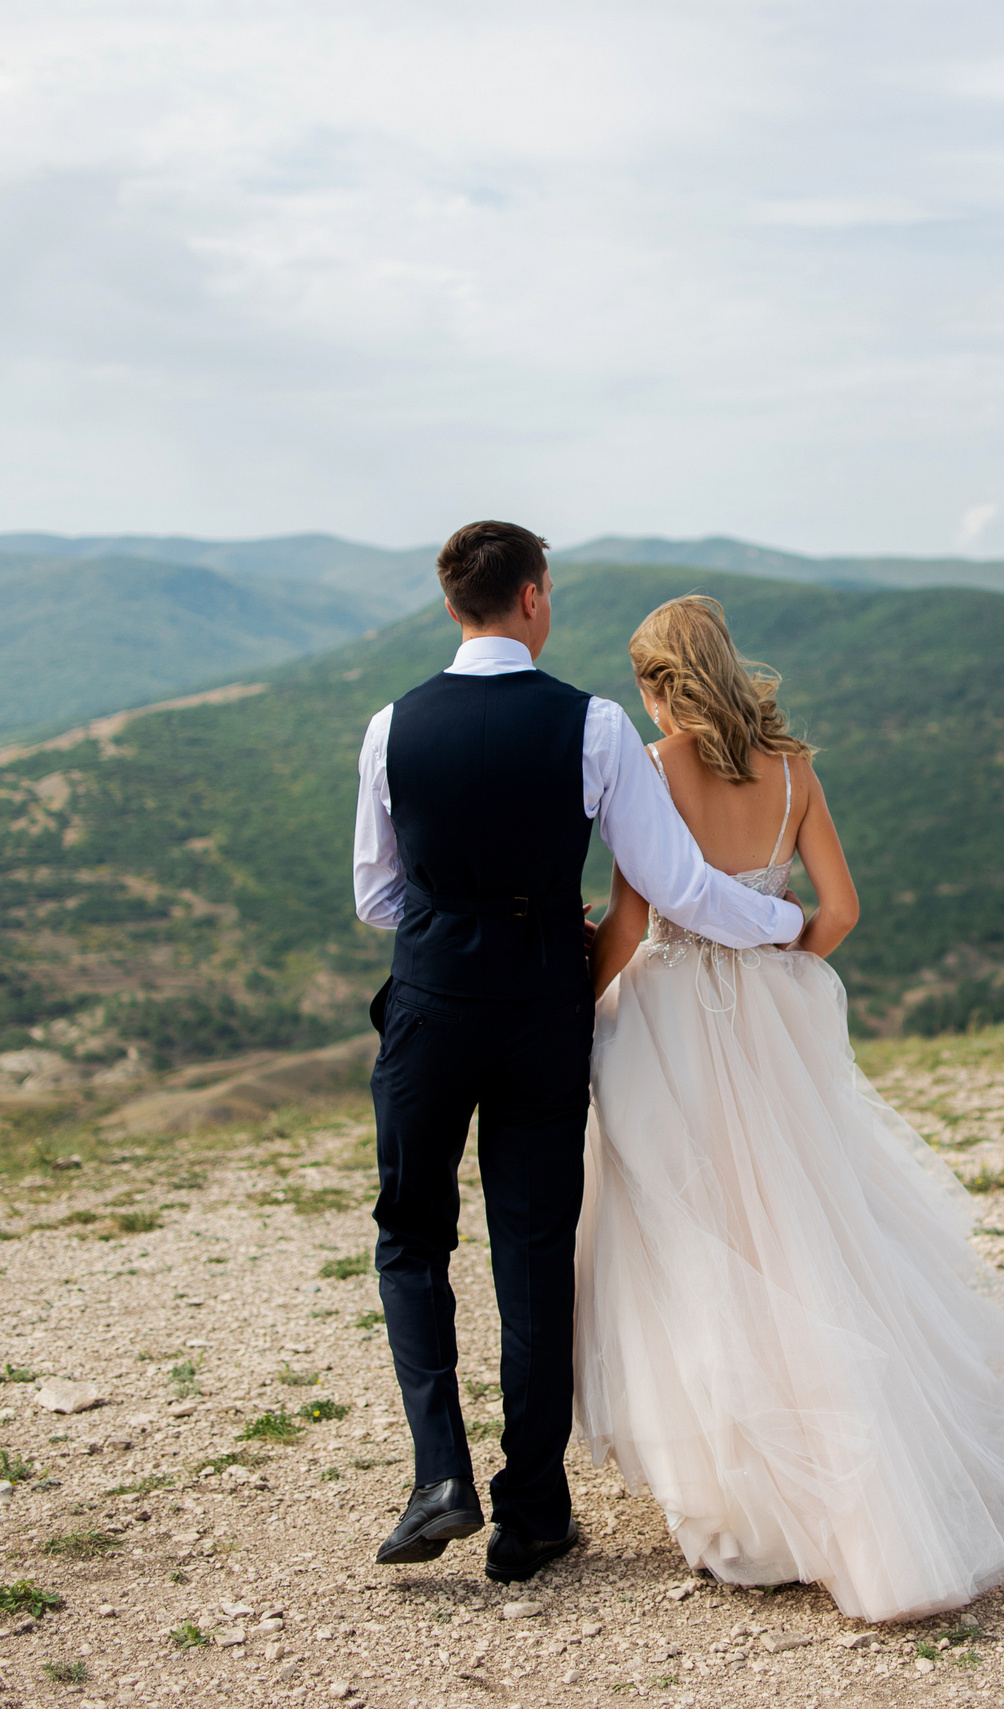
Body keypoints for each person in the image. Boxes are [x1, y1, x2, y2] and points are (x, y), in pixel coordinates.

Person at [576, 595, 1004, 1623]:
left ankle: (745, 1492)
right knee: (806, 1221)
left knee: (695, 1232)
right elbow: (841, 910)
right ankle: (869, 1462)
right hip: (770, 1013)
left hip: (675, 1019)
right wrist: (777, 967)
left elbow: (631, 919)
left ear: (660, 683)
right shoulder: (795, 769)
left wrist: (572, 1007)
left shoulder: (654, 765)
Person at [351, 524, 804, 1583]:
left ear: (454, 604)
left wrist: (449, 917)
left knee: (411, 1234)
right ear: (534, 597)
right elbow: (677, 889)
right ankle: (532, 1512)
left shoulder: (390, 727)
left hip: (427, 1005)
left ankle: (438, 1477)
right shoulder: (592, 726)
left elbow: (376, 895)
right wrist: (786, 928)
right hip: (543, 1008)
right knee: (534, 1254)